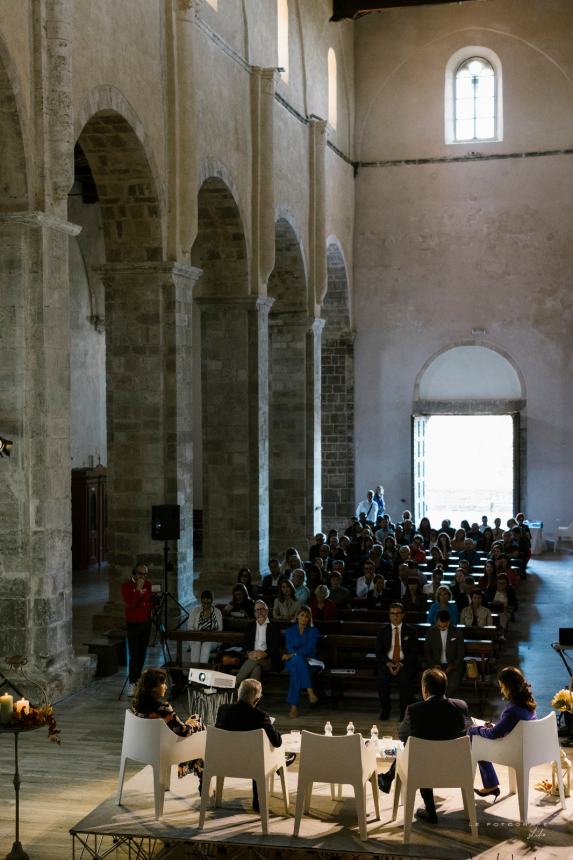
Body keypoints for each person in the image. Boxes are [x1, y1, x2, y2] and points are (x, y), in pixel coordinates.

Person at [377, 668, 470, 824]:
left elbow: (403, 736)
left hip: (423, 770)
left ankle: (429, 808)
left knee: (415, 752)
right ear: (445, 687)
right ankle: (388, 777)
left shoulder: (414, 710)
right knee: (422, 752)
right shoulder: (461, 706)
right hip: (456, 769)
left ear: (425, 689)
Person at [469, 666, 537, 800]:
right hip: (527, 745)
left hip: (514, 750)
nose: (501, 690)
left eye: (502, 686)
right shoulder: (528, 702)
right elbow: (509, 727)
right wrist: (493, 727)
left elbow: (494, 734)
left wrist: (476, 729)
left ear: (508, 686)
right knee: (480, 735)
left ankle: (491, 784)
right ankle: (491, 784)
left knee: (474, 736)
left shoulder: (513, 709)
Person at [215, 678, 283, 811]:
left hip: (223, 761)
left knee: (253, 752)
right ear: (257, 699)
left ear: (238, 693)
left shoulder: (223, 710)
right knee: (262, 752)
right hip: (252, 764)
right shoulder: (261, 716)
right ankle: (258, 801)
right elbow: (277, 742)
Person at [132, 667, 205, 785]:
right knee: (199, 724)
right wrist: (191, 724)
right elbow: (183, 731)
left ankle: (200, 773)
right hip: (166, 749)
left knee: (195, 723)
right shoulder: (163, 708)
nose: (166, 686)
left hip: (144, 746)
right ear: (153, 688)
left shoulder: (136, 706)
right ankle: (202, 775)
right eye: (163, 683)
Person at [375, 602, 418, 721]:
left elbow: (414, 653)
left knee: (405, 680)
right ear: (389, 615)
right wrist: (388, 664)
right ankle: (385, 710)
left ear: (403, 615)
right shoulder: (382, 630)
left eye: (398, 613)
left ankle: (403, 712)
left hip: (405, 664)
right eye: (392, 613)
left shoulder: (411, 631)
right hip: (387, 663)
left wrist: (400, 664)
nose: (395, 616)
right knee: (382, 679)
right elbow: (378, 652)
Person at [282, 605, 320, 718]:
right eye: (302, 615)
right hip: (293, 661)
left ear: (309, 619)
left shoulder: (313, 631)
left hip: (310, 662)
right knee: (298, 661)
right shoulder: (289, 631)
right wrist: (295, 655)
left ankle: (294, 707)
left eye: (307, 617)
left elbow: (310, 648)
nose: (304, 618)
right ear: (297, 616)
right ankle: (310, 691)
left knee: (296, 669)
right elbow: (289, 648)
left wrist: (294, 654)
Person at [121, 562, 153, 694]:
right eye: (141, 573)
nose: (143, 577)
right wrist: (138, 591)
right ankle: (132, 682)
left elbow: (147, 603)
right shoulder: (126, 586)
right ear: (134, 572)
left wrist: (140, 596)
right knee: (134, 654)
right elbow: (131, 603)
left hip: (146, 622)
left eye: (145, 574)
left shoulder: (148, 584)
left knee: (142, 653)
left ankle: (138, 680)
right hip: (133, 623)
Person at [235, 600, 282, 683]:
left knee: (256, 659)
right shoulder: (250, 626)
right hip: (252, 657)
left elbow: (276, 644)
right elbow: (245, 643)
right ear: (254, 613)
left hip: (268, 659)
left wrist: (265, 653)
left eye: (262, 609)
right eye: (257, 610)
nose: (259, 612)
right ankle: (253, 695)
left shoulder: (275, 626)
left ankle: (234, 683)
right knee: (256, 669)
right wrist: (248, 653)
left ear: (267, 611)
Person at [424, 609, 465, 695]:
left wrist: (452, 665)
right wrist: (434, 665)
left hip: (452, 667)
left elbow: (461, 653)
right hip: (435, 666)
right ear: (436, 621)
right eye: (439, 626)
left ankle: (443, 704)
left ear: (449, 622)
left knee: (451, 686)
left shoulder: (457, 632)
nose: (442, 628)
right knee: (432, 685)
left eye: (444, 626)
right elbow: (427, 652)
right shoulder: (431, 632)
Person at [187, 589, 223, 665]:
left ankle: (203, 670)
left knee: (206, 645)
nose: (206, 605)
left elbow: (220, 630)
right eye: (204, 603)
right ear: (201, 601)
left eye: (208, 603)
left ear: (212, 601)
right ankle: (194, 669)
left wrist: (210, 636)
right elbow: (190, 628)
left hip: (212, 639)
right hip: (196, 638)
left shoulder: (217, 612)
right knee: (196, 644)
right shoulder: (195, 611)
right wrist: (199, 636)